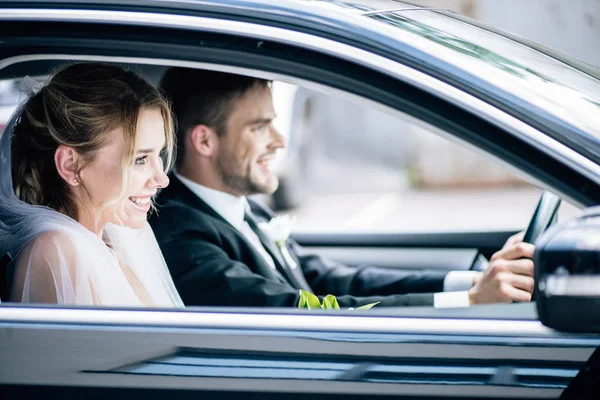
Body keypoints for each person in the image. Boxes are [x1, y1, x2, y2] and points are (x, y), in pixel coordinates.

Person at [150, 67, 535, 308]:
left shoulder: (239, 206)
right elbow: (307, 309)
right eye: (259, 127)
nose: (280, 141)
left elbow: (329, 279)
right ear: (204, 141)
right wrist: (468, 301)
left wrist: (473, 281)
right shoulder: (183, 237)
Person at [0, 63, 183, 307]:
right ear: (71, 166)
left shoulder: (115, 239)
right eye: (139, 159)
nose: (162, 179)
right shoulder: (58, 251)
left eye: (158, 155)